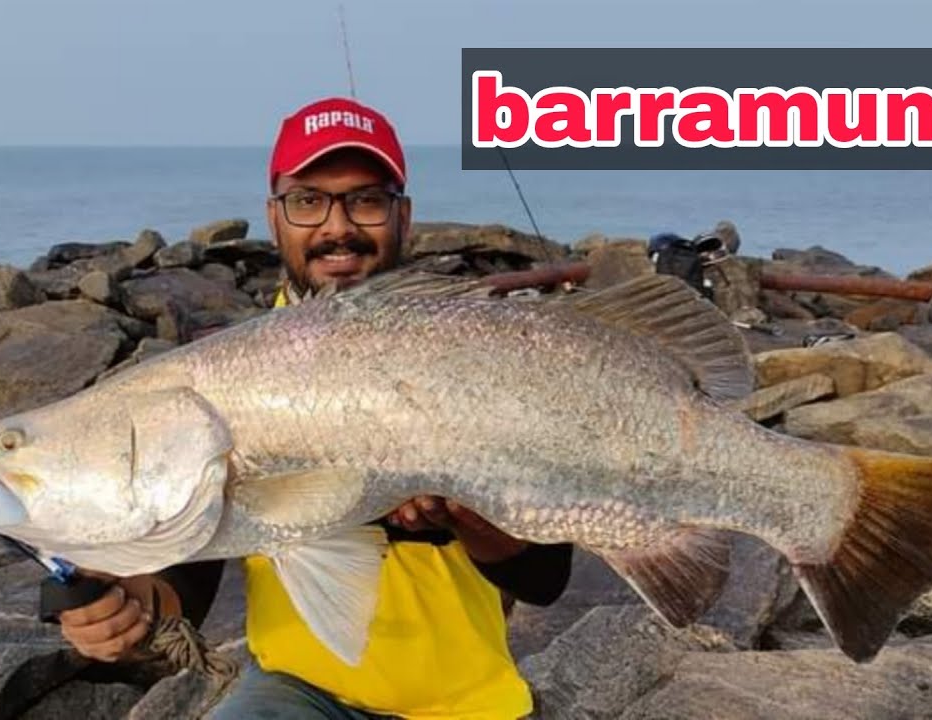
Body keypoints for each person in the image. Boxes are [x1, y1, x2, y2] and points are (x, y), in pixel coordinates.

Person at [52, 97, 573, 719]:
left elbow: (545, 578)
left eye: (366, 200)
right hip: (297, 693)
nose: (338, 226)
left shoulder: (471, 353)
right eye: (308, 201)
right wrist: (120, 610)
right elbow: (183, 582)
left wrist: (462, 514)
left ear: (403, 217)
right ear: (274, 219)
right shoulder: (220, 378)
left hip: (473, 702)